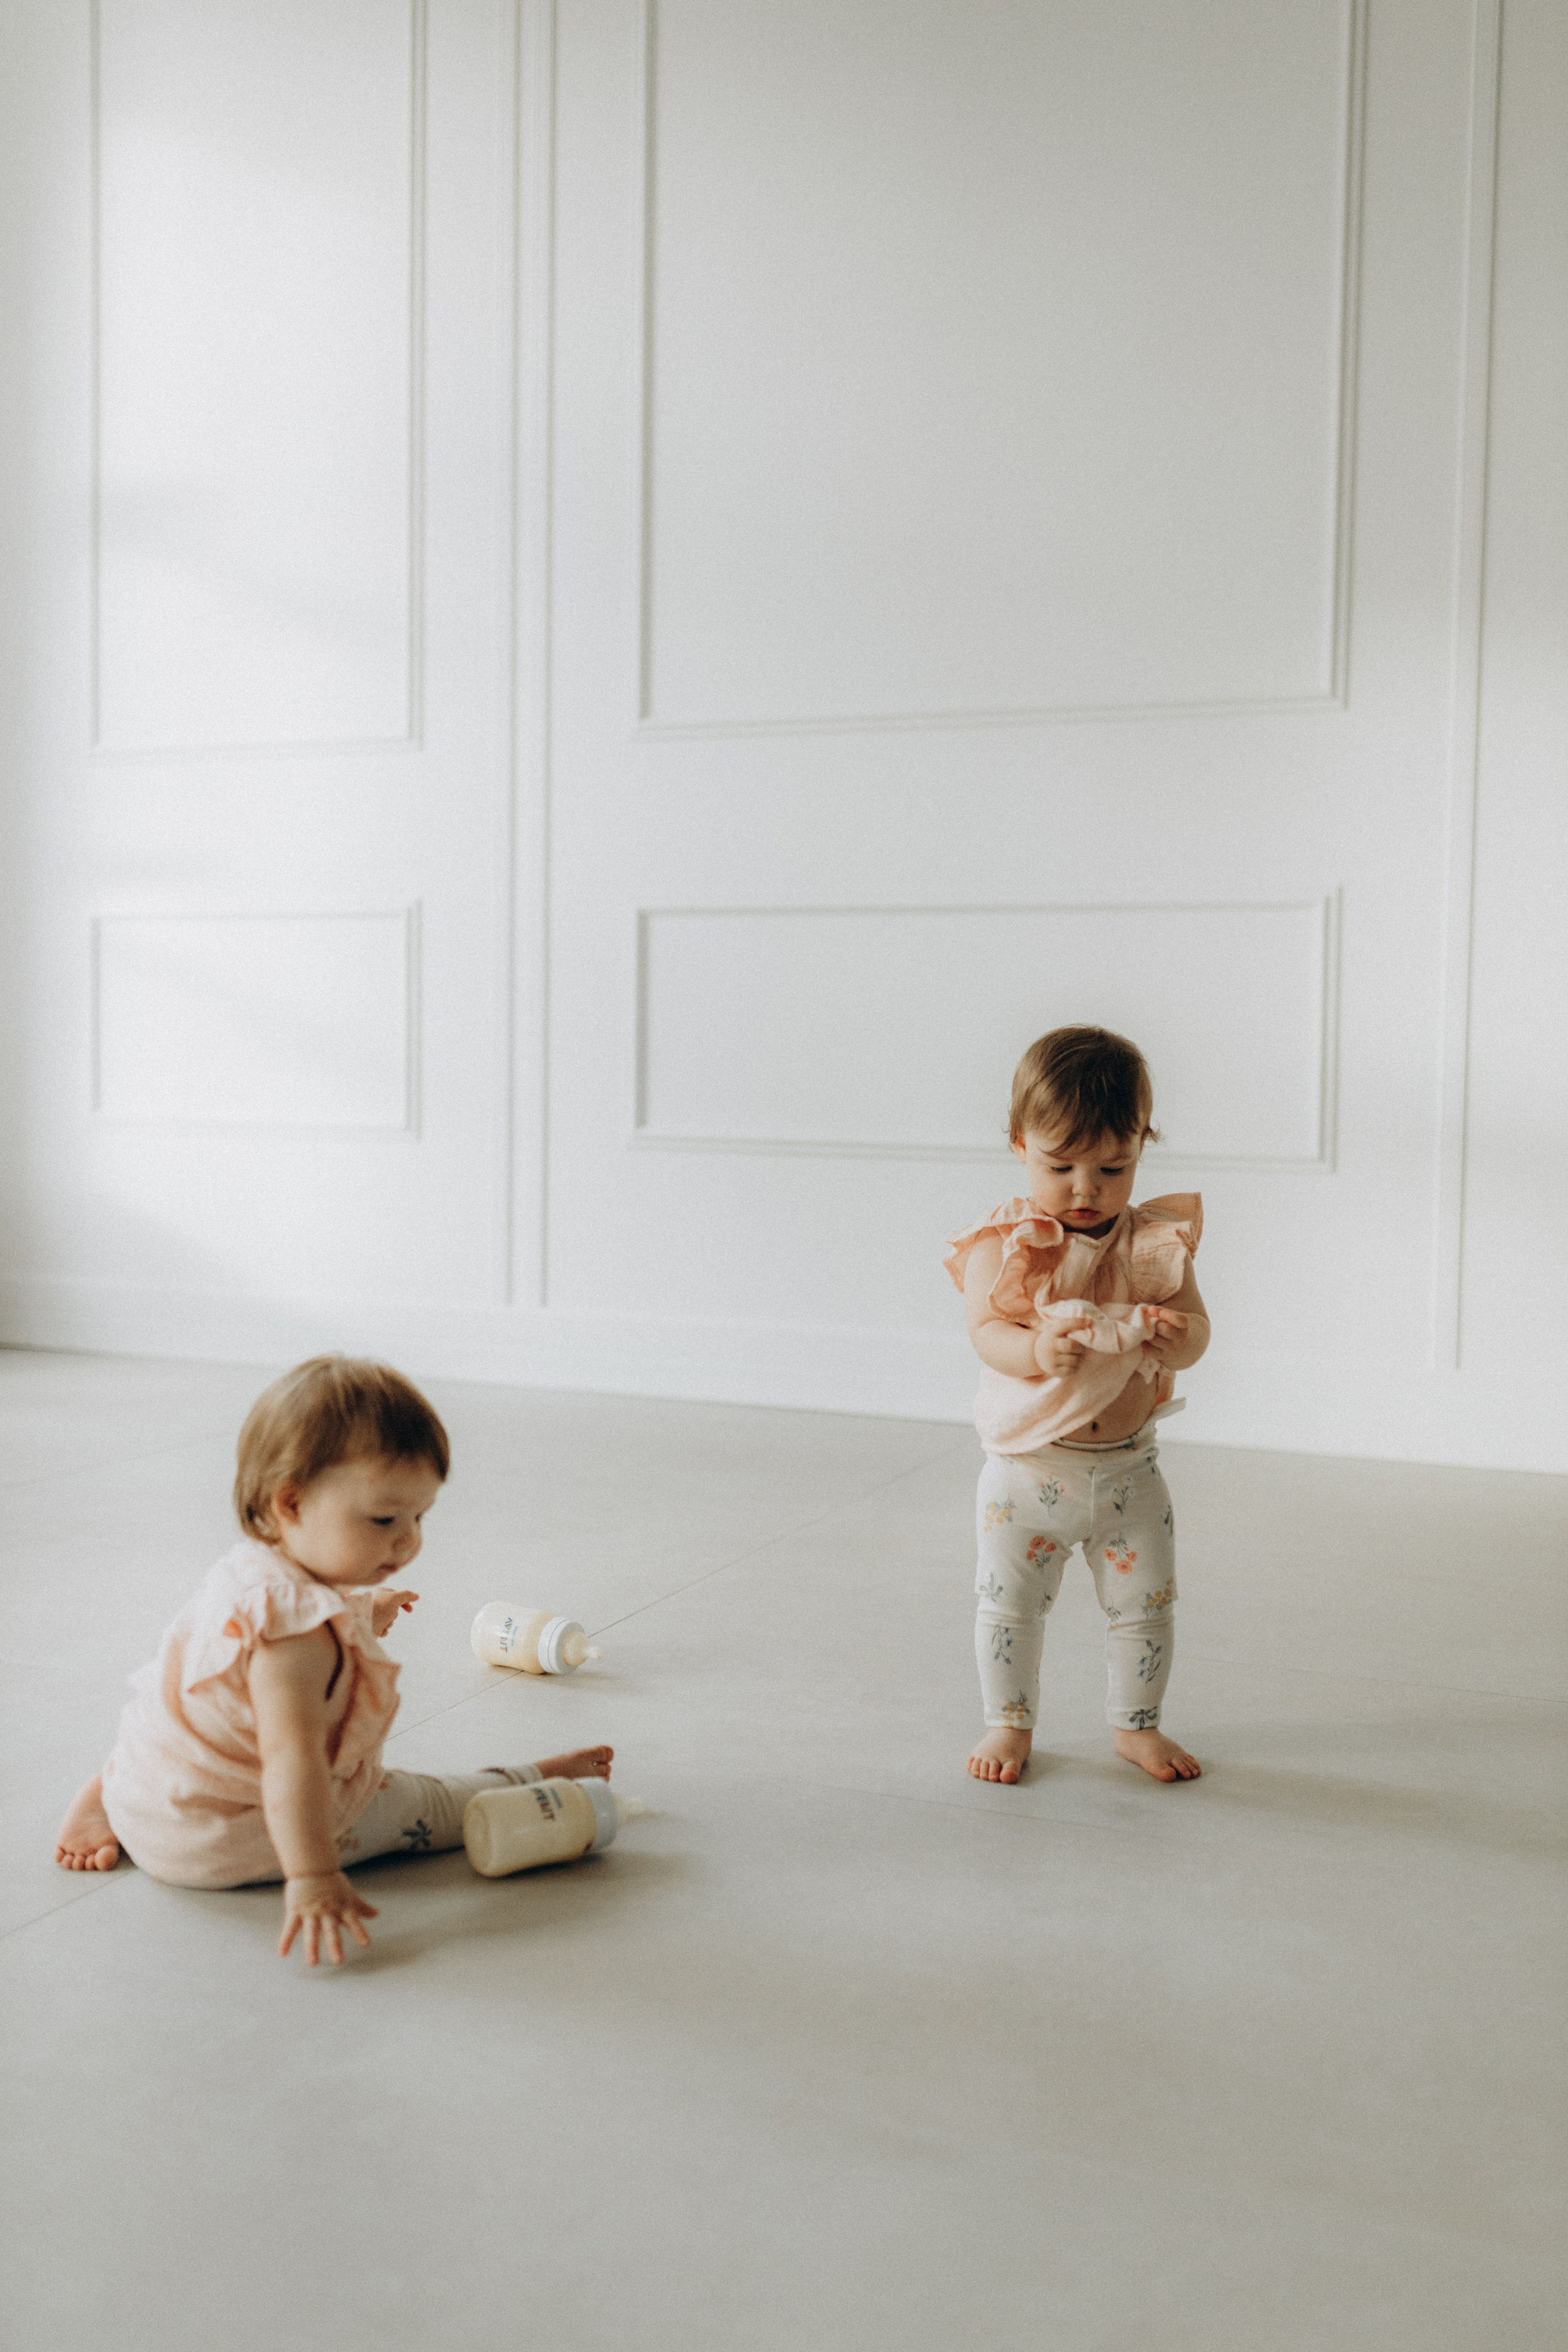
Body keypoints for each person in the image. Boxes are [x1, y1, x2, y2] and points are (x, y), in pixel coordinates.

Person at [53, 1355, 612, 1964]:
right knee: (421, 1804)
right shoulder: (298, 1643)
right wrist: (313, 1874)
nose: (409, 1540)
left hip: (151, 1790)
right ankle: (529, 1780)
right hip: (217, 1844)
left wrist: (359, 1611)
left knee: (178, 1722)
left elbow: (264, 1639)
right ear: (291, 1505)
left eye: (419, 1516)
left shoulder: (248, 1571)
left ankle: (107, 1795)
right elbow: (293, 1764)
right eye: (384, 1519)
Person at [945, 1026, 1210, 1787]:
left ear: (1141, 1146)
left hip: (1129, 1474)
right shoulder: (1007, 1244)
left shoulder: (1153, 1244)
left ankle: (1137, 1725)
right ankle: (1008, 1723)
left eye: (1111, 1167)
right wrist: (1034, 1351)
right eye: (1059, 1166)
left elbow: (1197, 1333)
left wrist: (1180, 1336)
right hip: (1028, 1473)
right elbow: (986, 1331)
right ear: (1019, 1145)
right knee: (1009, 1607)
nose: (1085, 1189)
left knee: (1145, 1607)